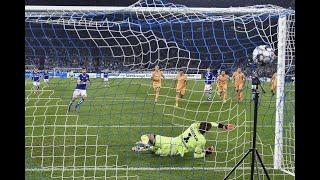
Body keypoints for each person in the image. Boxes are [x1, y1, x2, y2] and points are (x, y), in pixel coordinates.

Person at [131, 121, 234, 158]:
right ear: (206, 131)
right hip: (174, 151)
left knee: (147, 136)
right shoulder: (202, 140)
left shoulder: (193, 126)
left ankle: (147, 145)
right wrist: (207, 152)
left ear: (199, 126)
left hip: (171, 141)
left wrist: (222, 126)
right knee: (156, 151)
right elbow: (197, 155)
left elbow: (210, 123)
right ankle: (148, 147)